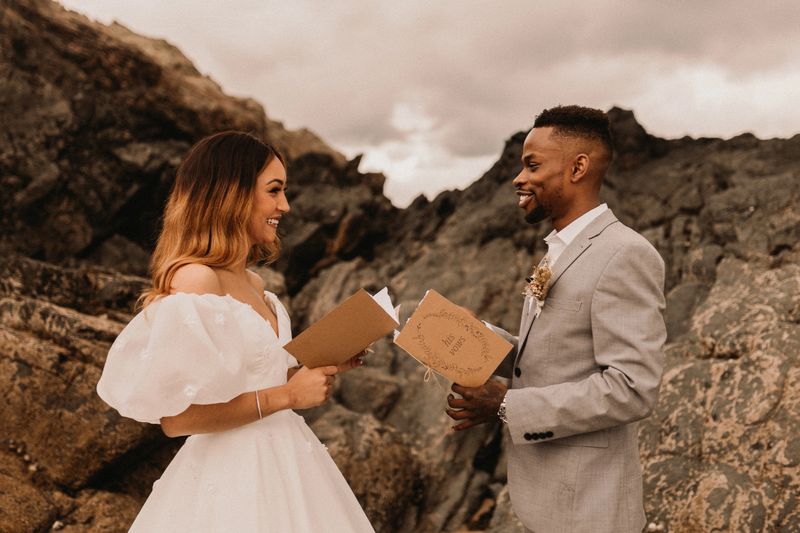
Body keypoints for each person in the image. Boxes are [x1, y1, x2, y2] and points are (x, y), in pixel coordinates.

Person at [97, 131, 374, 532]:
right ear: (232, 194)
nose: (285, 205)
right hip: (233, 483)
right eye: (274, 191)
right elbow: (178, 419)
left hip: (290, 461)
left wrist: (326, 364)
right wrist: (289, 395)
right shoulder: (196, 281)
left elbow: (253, 381)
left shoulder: (257, 285)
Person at [446, 106, 666, 533]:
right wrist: (475, 336)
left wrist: (505, 405)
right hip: (548, 502)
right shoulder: (560, 249)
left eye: (532, 164)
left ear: (578, 167)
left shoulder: (625, 255)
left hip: (591, 510)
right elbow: (549, 353)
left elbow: (632, 388)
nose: (518, 178)